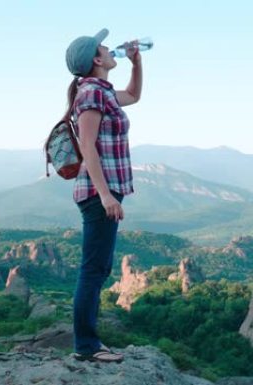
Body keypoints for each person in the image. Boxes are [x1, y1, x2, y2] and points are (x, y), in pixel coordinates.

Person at [64, 28, 142, 363]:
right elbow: (88, 147)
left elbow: (134, 95)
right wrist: (106, 195)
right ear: (97, 59)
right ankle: (87, 347)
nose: (111, 49)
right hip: (99, 193)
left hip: (104, 192)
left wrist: (137, 62)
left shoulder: (101, 91)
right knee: (93, 270)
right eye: (104, 47)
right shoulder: (91, 95)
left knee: (99, 268)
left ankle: (90, 344)